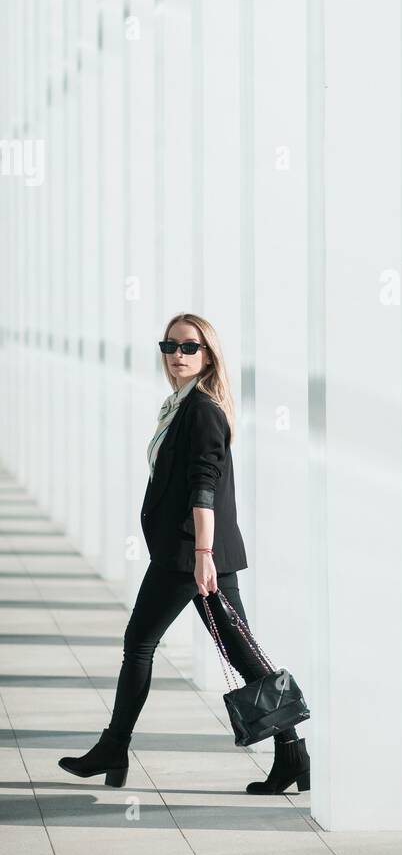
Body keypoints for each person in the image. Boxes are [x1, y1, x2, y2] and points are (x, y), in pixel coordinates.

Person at [58, 312, 309, 795]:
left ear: (208, 354)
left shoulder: (202, 411)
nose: (177, 355)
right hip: (191, 553)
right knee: (242, 652)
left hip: (189, 556)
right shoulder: (180, 405)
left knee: (140, 644)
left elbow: (204, 486)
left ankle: (114, 747)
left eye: (189, 347)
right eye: (169, 346)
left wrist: (202, 552)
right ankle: (293, 756)